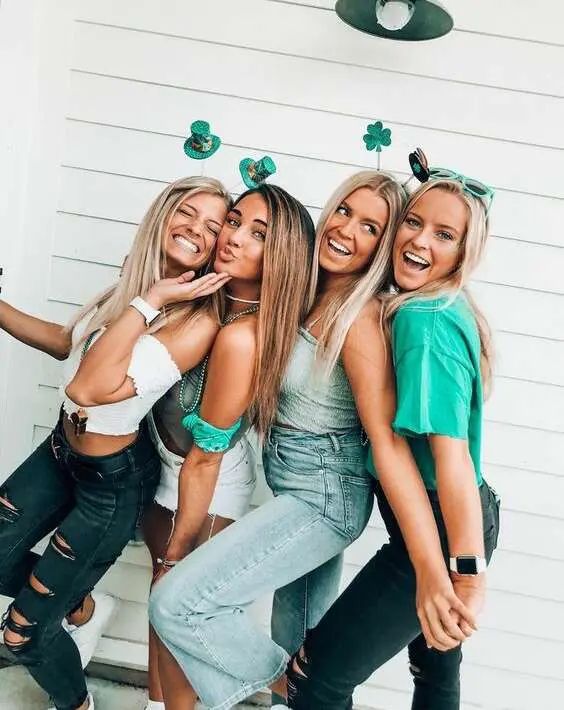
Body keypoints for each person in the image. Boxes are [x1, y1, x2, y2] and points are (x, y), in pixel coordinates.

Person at [148, 170, 443, 710]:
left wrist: (429, 565)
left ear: (384, 246)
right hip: (296, 490)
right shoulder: (307, 296)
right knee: (298, 639)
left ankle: (308, 689)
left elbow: (385, 442)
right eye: (344, 211)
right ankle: (307, 689)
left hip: (326, 500)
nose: (346, 229)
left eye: (370, 227)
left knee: (178, 604)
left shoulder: (360, 317)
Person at [77, 183, 314, 710]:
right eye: (234, 220)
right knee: (159, 616)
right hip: (165, 465)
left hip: (206, 485)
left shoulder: (243, 336)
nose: (234, 236)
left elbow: (205, 457)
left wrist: (179, 550)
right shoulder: (201, 298)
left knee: (177, 619)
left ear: (281, 257)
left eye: (259, 234)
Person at [0, 175, 232, 710]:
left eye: (213, 226)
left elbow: (88, 389)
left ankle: (76, 702)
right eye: (187, 212)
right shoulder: (133, 281)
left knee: (22, 634)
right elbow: (67, 343)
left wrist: (151, 300)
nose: (196, 230)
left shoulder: (195, 323)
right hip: (60, 453)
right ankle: (80, 607)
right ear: (164, 214)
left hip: (112, 484)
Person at [285, 175, 501, 710]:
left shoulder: (423, 323)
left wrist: (461, 575)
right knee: (435, 675)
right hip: (461, 516)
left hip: (445, 530)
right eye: (413, 222)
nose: (420, 241)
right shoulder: (433, 306)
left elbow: (451, 460)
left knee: (314, 681)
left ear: (465, 252)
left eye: (444, 234)